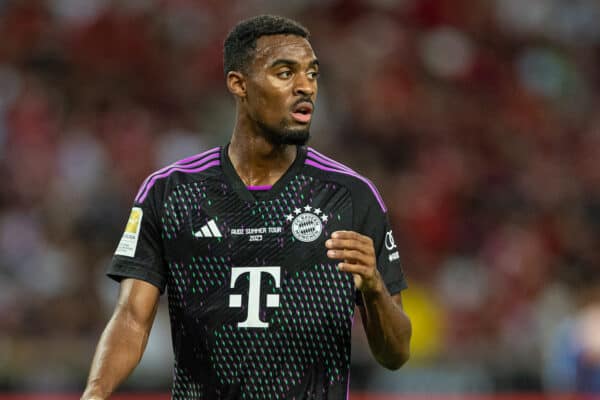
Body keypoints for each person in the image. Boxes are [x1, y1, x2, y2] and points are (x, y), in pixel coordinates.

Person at [81, 14, 412, 400]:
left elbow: (396, 355)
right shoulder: (172, 192)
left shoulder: (351, 196)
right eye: (285, 73)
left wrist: (373, 287)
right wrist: (94, 393)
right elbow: (132, 319)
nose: (305, 86)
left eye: (312, 73)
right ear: (239, 84)